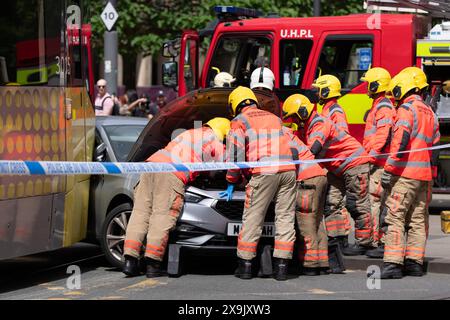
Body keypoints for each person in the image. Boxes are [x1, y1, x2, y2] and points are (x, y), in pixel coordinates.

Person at [122, 118, 231, 277]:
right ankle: (153, 264)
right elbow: (227, 166)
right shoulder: (215, 141)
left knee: (140, 213)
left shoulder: (189, 133)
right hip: (170, 174)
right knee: (162, 215)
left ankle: (130, 261)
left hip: (150, 166)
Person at [221, 86, 297, 281]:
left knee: (253, 219)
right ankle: (282, 268)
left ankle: (245, 266)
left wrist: (232, 180)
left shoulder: (239, 121)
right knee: (285, 218)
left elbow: (235, 155)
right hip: (288, 171)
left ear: (235, 105)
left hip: (264, 173)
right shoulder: (274, 118)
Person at [290, 95, 374, 258]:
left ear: (302, 112)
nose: (293, 120)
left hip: (355, 164)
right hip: (338, 169)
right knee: (331, 203)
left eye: (294, 116)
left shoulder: (319, 123)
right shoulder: (306, 127)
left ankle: (364, 243)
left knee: (357, 204)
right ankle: (338, 239)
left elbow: (312, 150)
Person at [379, 70, 440, 279]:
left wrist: (388, 169)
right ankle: (414, 263)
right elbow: (435, 147)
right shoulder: (430, 112)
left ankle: (393, 264)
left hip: (405, 175)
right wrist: (431, 173)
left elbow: (399, 143)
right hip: (424, 176)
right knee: (418, 220)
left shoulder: (406, 109)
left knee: (395, 217)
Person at [282, 94, 330, 276]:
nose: (294, 121)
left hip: (307, 180)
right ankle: (322, 261)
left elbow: (294, 157)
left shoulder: (281, 135)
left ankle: (310, 263)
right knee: (318, 221)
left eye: (294, 117)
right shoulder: (292, 134)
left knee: (306, 221)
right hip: (320, 175)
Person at [311, 74, 352, 252]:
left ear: (326, 91)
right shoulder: (328, 110)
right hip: (332, 165)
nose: (316, 94)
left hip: (337, 164)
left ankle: (341, 239)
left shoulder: (335, 111)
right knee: (332, 203)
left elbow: (340, 137)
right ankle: (337, 238)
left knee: (335, 202)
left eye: (318, 90)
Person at [359, 67, 396, 258]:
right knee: (376, 201)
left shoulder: (383, 107)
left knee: (375, 201)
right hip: (378, 161)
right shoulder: (380, 105)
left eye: (368, 84)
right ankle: (376, 239)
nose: (366, 87)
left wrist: (370, 157)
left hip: (379, 164)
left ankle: (375, 241)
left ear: (376, 85)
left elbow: (382, 135)